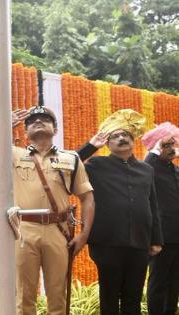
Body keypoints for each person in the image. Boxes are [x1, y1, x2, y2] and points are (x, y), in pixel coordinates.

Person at [0, 106, 95, 315]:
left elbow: (87, 198)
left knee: (58, 295)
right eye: (32, 121)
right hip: (24, 230)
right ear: (25, 132)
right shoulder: (12, 154)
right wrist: (2, 124)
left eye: (45, 119)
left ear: (55, 128)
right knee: (24, 297)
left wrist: (84, 235)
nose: (38, 122)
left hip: (58, 231)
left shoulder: (71, 158)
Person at [77, 109, 163, 315]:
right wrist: (91, 146)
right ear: (108, 144)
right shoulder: (96, 165)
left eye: (126, 135)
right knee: (110, 297)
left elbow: (152, 204)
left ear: (133, 140)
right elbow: (67, 165)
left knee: (133, 298)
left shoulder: (146, 170)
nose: (121, 138)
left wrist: (156, 239)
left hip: (140, 244)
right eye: (115, 136)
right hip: (107, 243)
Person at [142, 122, 179, 315]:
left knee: (174, 285)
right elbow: (145, 167)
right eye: (166, 145)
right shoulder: (149, 168)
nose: (171, 149)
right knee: (158, 282)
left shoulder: (176, 170)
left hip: (177, 237)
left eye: (173, 144)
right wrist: (155, 150)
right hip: (160, 238)